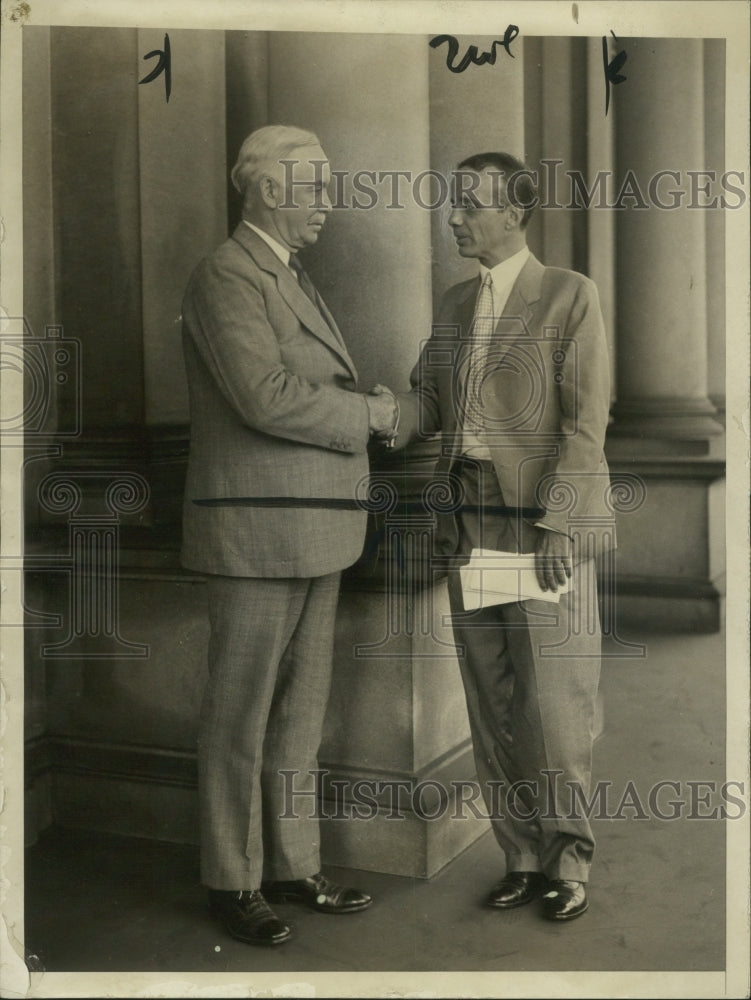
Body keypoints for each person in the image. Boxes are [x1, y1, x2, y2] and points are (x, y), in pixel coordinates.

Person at [180, 125, 397, 946]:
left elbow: (299, 386)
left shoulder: (283, 274)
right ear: (269, 190)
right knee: (238, 717)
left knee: (300, 715)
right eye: (316, 188)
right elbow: (263, 397)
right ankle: (231, 882)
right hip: (256, 534)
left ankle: (293, 865)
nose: (328, 204)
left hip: (315, 528)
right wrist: (371, 415)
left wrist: (357, 407)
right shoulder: (226, 274)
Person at [392, 152, 615, 921]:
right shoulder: (454, 305)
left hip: (538, 527)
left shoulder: (567, 296)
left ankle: (569, 861)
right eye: (454, 203)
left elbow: (586, 427)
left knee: (555, 704)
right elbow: (424, 401)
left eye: (469, 204)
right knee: (493, 701)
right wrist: (365, 411)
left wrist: (559, 523)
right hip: (470, 522)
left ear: (514, 215)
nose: (453, 216)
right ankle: (519, 855)